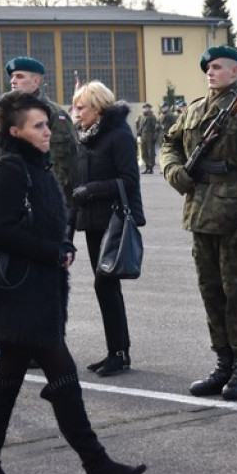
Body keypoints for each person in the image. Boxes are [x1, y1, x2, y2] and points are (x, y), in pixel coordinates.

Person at [0, 90, 146, 474]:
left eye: (47, 124)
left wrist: (62, 243)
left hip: (36, 292)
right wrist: (51, 251)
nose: (47, 131)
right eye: (38, 126)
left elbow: (45, 221)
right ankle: (96, 463)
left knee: (6, 385)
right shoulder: (10, 168)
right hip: (21, 294)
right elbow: (0, 231)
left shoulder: (37, 166)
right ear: (15, 132)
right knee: (61, 378)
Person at [161, 45, 237, 401]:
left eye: (217, 67)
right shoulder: (195, 109)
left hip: (234, 217)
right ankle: (223, 363)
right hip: (200, 213)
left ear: (235, 72)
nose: (210, 72)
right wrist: (174, 171)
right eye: (207, 67)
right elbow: (169, 143)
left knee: (236, 290)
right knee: (210, 291)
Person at [70, 82, 145, 377]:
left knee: (106, 284)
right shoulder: (87, 137)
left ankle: (119, 352)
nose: (76, 113)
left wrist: (91, 190)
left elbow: (128, 180)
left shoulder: (119, 135)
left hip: (114, 221)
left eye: (81, 107)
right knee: (105, 286)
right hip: (93, 222)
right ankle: (117, 351)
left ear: (98, 108)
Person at [0, 56, 77, 205]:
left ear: (36, 81)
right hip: (11, 194)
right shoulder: (9, 113)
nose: (12, 81)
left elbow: (66, 161)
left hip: (45, 199)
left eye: (19, 76)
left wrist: (49, 193)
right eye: (12, 77)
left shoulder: (54, 114)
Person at [134, 102, 158, 174]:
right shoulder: (140, 117)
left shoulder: (152, 117)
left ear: (149, 109)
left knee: (150, 152)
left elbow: (156, 128)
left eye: (147, 108)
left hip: (150, 136)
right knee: (144, 153)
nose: (145, 109)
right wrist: (138, 133)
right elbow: (138, 125)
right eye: (144, 108)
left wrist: (155, 137)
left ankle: (151, 168)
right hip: (143, 137)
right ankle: (147, 166)